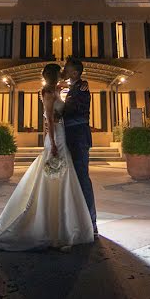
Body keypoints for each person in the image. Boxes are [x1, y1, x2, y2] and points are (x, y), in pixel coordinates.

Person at [0, 63, 94, 251]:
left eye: (67, 71)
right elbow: (49, 120)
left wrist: (61, 90)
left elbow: (69, 108)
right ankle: (55, 222)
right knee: (56, 176)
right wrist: (52, 142)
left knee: (70, 177)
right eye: (61, 73)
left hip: (67, 137)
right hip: (57, 138)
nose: (64, 73)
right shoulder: (49, 92)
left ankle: (69, 220)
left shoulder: (68, 89)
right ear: (55, 76)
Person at [60, 57, 98, 235]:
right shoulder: (73, 88)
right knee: (74, 178)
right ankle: (78, 220)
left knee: (82, 178)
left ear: (74, 72)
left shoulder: (82, 88)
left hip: (79, 137)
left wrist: (58, 113)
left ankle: (91, 223)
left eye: (66, 68)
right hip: (71, 136)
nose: (64, 70)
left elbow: (78, 114)